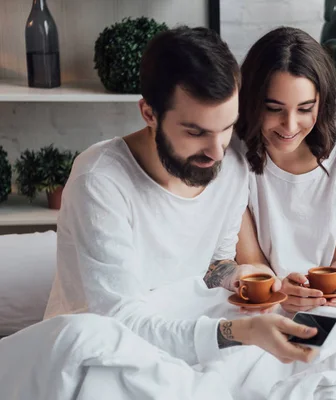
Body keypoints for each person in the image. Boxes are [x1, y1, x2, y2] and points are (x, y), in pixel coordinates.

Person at [43, 26, 318, 365]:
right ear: (149, 114)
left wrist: (238, 277)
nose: (217, 151)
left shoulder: (231, 166)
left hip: (188, 324)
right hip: (99, 348)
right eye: (195, 132)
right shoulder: (99, 180)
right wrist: (238, 333)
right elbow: (119, 323)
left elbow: (214, 264)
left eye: (227, 127)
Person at [234, 27, 336, 313]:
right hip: (259, 299)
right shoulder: (232, 157)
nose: (290, 126)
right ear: (252, 100)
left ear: (322, 102)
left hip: (327, 303)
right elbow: (251, 261)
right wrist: (279, 289)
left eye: (305, 109)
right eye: (274, 108)